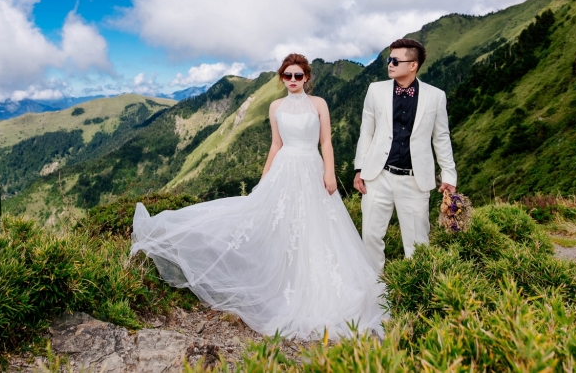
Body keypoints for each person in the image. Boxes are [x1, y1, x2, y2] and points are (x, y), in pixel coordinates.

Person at [131, 53, 385, 340]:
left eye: (298, 75)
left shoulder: (319, 104)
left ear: (306, 77)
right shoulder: (275, 106)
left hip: (311, 168)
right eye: (287, 75)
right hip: (284, 169)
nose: (292, 80)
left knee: (317, 227)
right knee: (280, 226)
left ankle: (315, 284)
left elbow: (326, 141)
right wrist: (265, 180)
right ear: (281, 78)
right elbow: (276, 144)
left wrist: (329, 172)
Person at [353, 38, 457, 272]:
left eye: (395, 61)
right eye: (389, 59)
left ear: (413, 65)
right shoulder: (375, 90)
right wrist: (359, 168)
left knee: (417, 243)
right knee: (370, 236)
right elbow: (366, 132)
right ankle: (375, 287)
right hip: (378, 176)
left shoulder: (436, 96)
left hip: (414, 179)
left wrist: (449, 175)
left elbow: (441, 138)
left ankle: (414, 288)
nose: (390, 64)